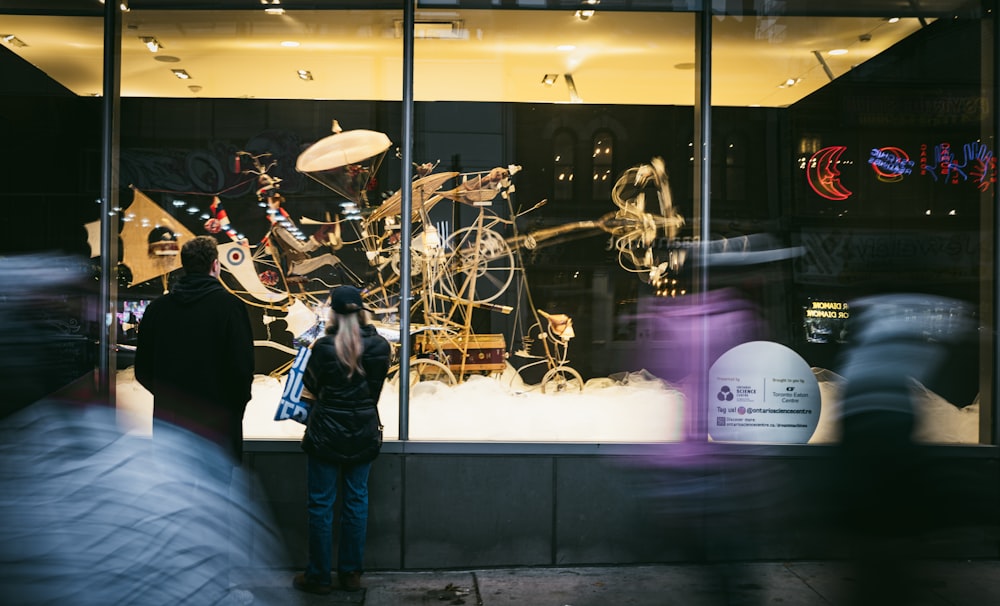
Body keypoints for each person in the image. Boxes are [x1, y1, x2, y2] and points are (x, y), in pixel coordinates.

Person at [293, 285, 391, 595]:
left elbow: (309, 391)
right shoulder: (380, 347)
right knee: (356, 501)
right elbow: (373, 393)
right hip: (362, 431)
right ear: (362, 312)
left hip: (326, 433)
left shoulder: (322, 349)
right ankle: (351, 575)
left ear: (332, 313)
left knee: (321, 505)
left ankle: (319, 576)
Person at [135, 234, 255, 464]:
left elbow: (142, 370)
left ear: (185, 266)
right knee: (215, 495)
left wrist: (169, 398)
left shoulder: (158, 309)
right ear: (215, 265)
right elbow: (242, 368)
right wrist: (232, 409)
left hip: (170, 423)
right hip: (218, 425)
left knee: (173, 493)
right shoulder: (231, 307)